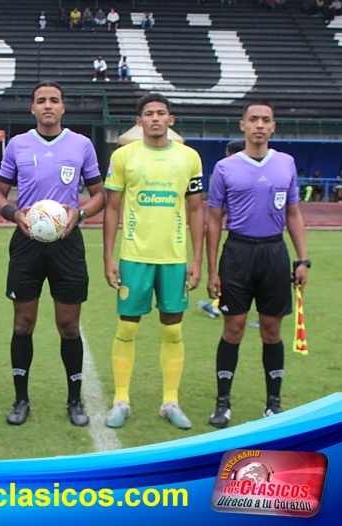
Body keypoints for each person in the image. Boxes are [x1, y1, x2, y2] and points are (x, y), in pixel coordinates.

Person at [0, 80, 106, 426]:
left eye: (54, 100)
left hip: (67, 243)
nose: (47, 105)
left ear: (62, 107)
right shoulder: (18, 145)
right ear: (33, 108)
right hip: (27, 241)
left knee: (68, 325)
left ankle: (75, 400)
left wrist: (79, 213)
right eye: (41, 100)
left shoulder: (81, 145)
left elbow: (99, 194)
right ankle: (20, 400)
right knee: (23, 323)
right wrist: (14, 214)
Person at [104, 93, 204, 430]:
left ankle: (170, 402)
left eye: (161, 113)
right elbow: (112, 208)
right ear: (140, 121)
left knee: (173, 329)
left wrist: (197, 259)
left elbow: (196, 209)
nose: (156, 118)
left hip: (174, 259)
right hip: (134, 257)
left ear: (171, 120)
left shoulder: (189, 157)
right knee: (127, 328)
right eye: (149, 113)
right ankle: (121, 401)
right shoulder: (123, 156)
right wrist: (108, 256)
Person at [206, 100, 309, 429]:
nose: (260, 125)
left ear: (273, 126)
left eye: (266, 120)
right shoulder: (225, 168)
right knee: (233, 328)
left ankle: (273, 403)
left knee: (272, 330)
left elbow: (293, 214)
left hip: (274, 253)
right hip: (237, 252)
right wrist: (212, 269)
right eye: (253, 119)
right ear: (243, 125)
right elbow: (213, 220)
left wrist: (302, 259)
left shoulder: (286, 163)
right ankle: (223, 402)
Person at [198, 139, 245, 319]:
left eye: (227, 153)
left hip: (247, 240)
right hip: (241, 240)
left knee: (241, 278)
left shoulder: (235, 173)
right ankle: (217, 305)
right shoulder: (228, 172)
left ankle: (217, 306)